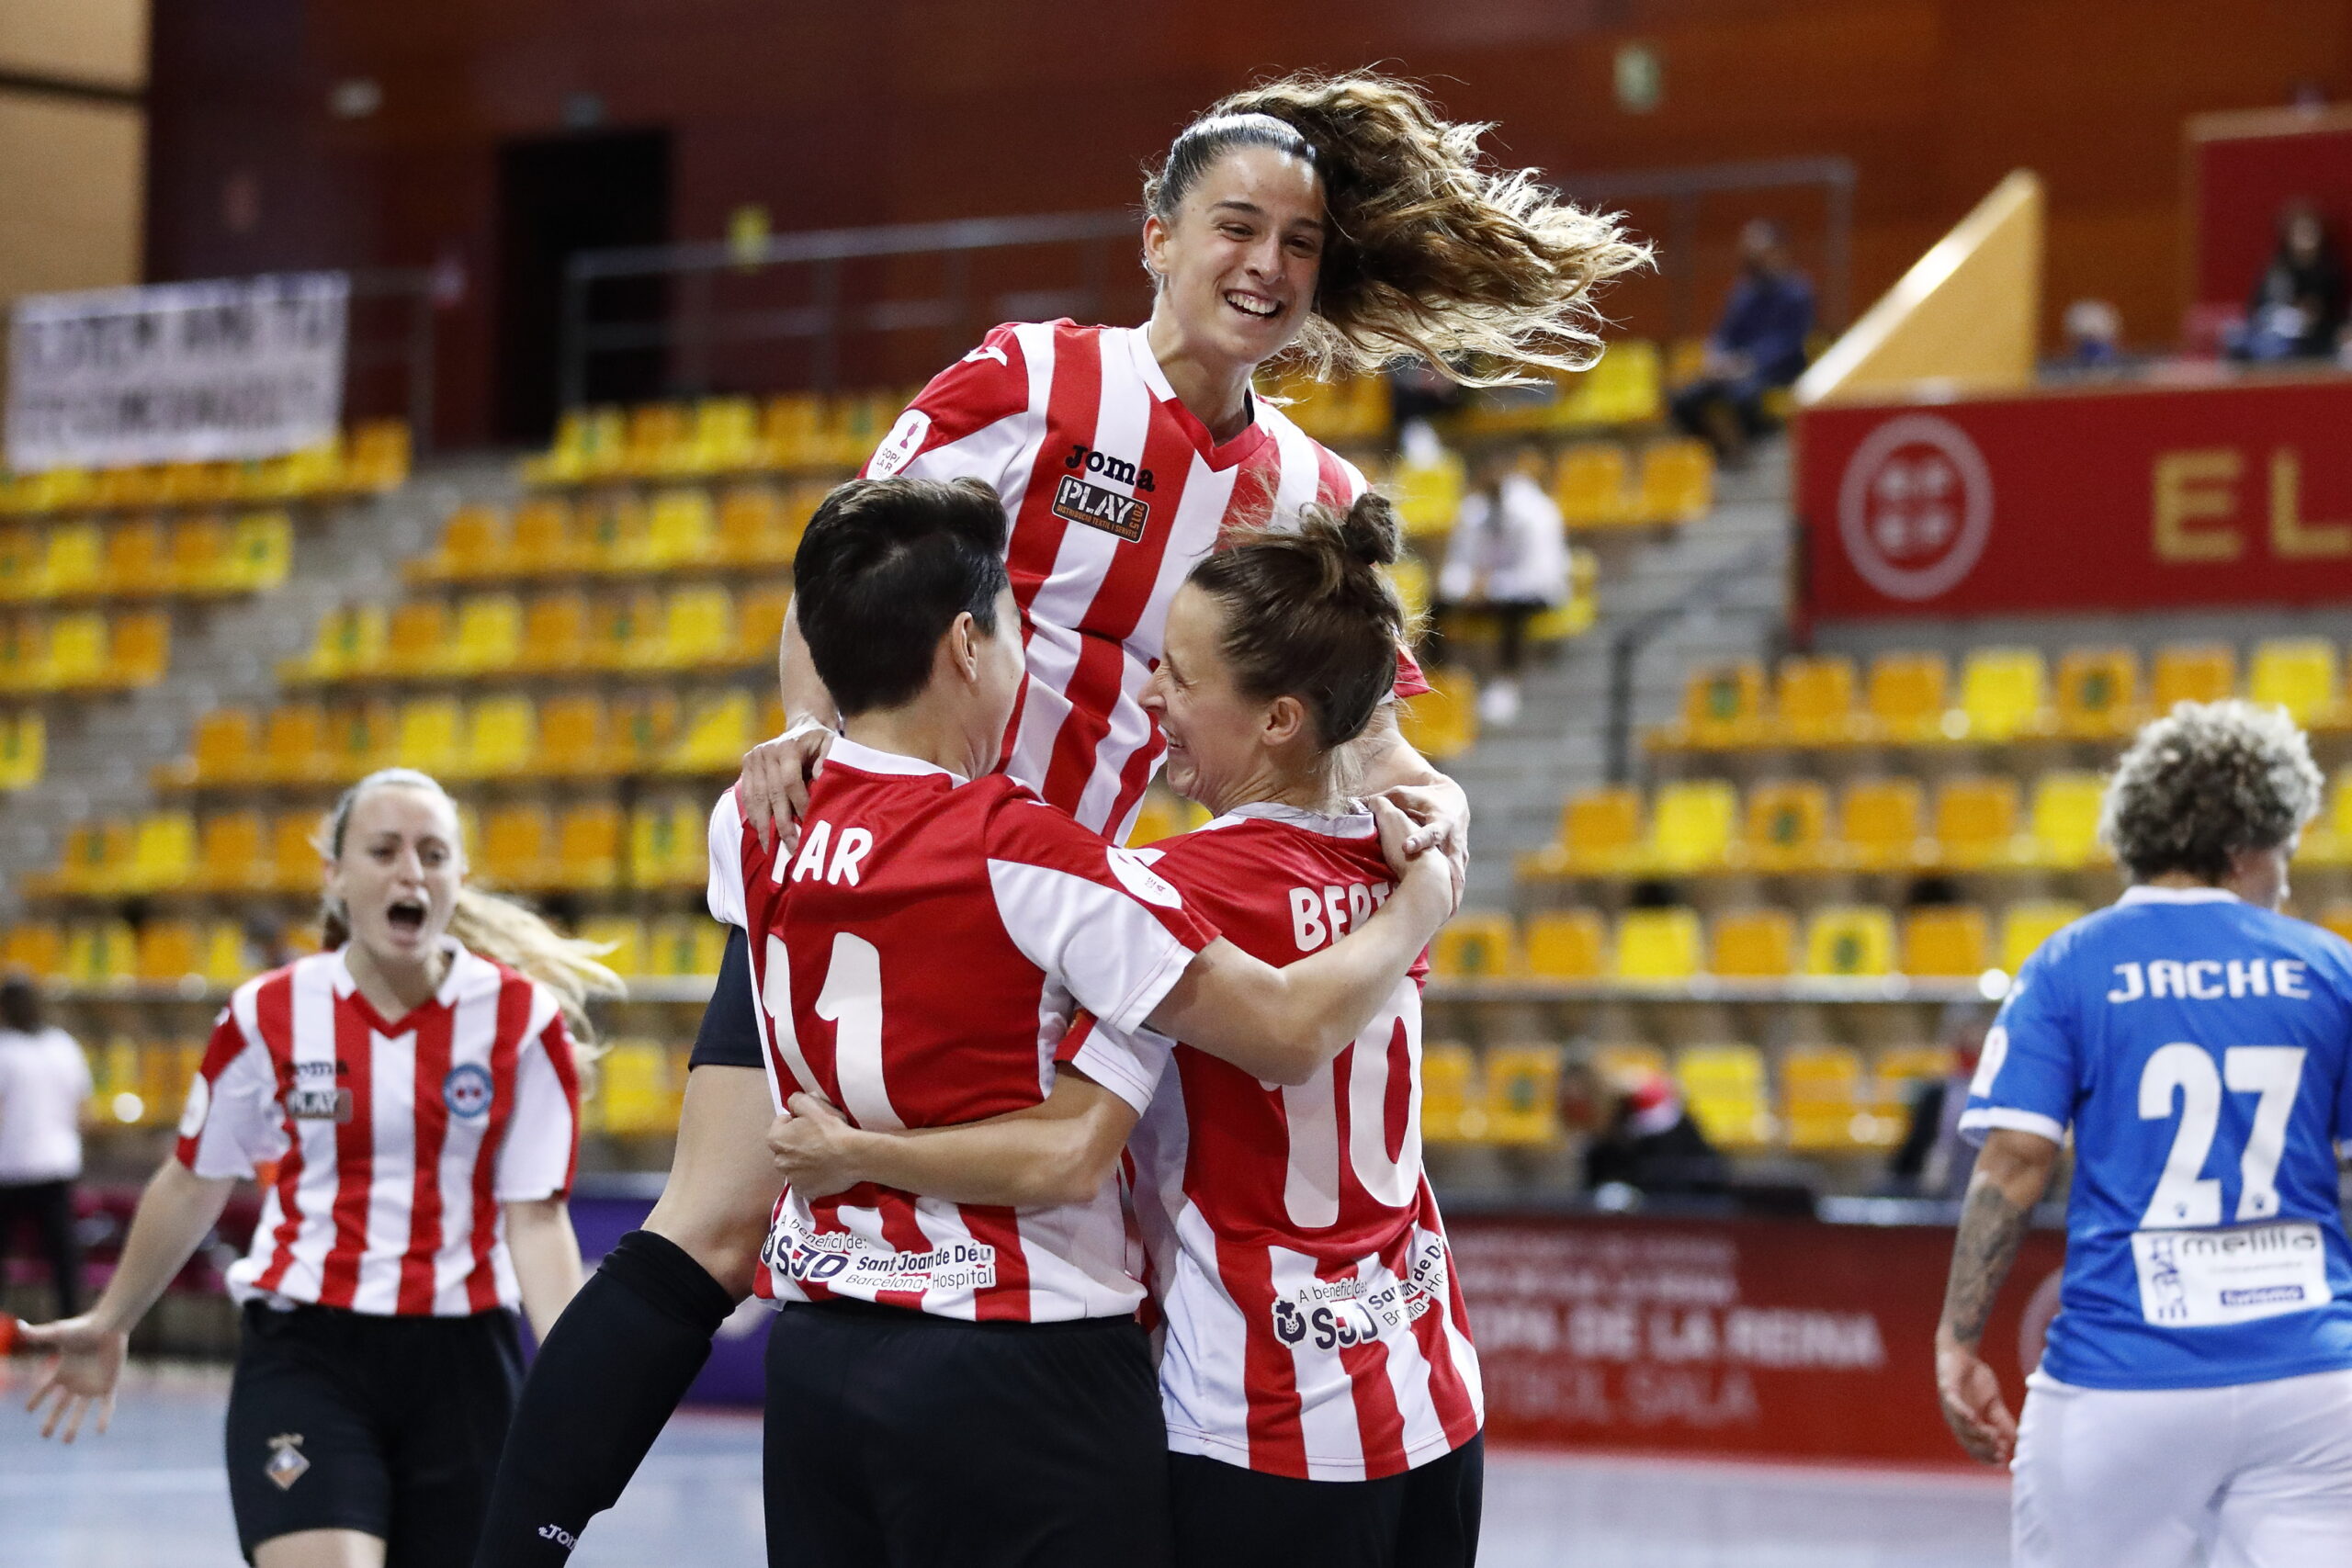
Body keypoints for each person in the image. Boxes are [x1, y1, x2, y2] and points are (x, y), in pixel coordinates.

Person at [472, 68, 1645, 1567]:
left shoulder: (1311, 487)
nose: (1267, 266)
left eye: (1298, 244)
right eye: (1236, 226)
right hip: (907, 888)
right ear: (1155, 233)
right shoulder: (1029, 381)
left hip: (1069, 923)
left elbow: (1377, 741)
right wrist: (806, 732)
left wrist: (1437, 812)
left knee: (1108, 1268)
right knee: (713, 1226)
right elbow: (844, 569)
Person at [718, 476, 1456, 1566]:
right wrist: (1431, 894)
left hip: (1239, 1402)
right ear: (968, 647)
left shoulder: (754, 824)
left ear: (1278, 718)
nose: (1143, 692)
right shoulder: (1391, 846)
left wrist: (802, 738)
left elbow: (1128, 1117)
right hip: (1416, 1375)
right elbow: (1301, 1006)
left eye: (1178, 673)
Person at [21, 768, 617, 1568]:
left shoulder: (521, 1021)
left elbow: (536, 1218)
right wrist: (111, 1317)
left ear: (457, 879)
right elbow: (195, 1177)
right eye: (384, 850)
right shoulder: (269, 1013)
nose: (411, 870)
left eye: (433, 853)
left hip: (465, 1365)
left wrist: (576, 1373)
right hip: (308, 1351)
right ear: (336, 875)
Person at [1936, 701, 2352, 1566]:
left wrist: (1958, 1341)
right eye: (2282, 849)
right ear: (2243, 847)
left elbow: (2013, 1168)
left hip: (2121, 1379)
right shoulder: (2328, 968)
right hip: (2313, 1380)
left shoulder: (2066, 963)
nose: (2286, 878)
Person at [1427, 444, 1568, 727]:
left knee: (1511, 609)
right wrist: (1465, 587)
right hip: (1486, 590)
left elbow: (1539, 577)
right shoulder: (1475, 510)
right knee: (1435, 606)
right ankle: (1441, 682)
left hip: (1530, 593)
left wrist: (1490, 586)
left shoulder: (1536, 513)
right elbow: (1459, 564)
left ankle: (1506, 681)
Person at [1668, 219, 1814, 462]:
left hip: (1779, 371)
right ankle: (1723, 455)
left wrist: (1748, 361)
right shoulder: (1744, 293)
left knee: (1743, 396)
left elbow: (1789, 342)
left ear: (1777, 251)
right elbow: (1724, 334)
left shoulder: (1797, 291)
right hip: (1736, 369)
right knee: (1684, 399)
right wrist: (1716, 358)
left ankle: (1757, 455)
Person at [0, 975, 94, 1318]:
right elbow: (85, 1111)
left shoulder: (4, 1050)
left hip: (10, 1168)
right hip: (56, 1165)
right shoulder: (63, 1045)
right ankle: (70, 1332)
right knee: (63, 1261)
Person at [1559, 1055, 1726, 1199]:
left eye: (1581, 1108)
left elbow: (1675, 1175)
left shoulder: (1647, 1111)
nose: (1578, 1118)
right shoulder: (1597, 1148)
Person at [1886, 1001, 1991, 1200]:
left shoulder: (1998, 1093)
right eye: (1963, 1042)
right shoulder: (1933, 1093)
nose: (1970, 1049)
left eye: (1976, 1044)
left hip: (1985, 1183)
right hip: (1934, 1183)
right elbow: (1912, 1150)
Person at [2234, 201, 2346, 363]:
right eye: (2300, 233)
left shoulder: (2330, 271)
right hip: (2273, 333)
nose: (2306, 239)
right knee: (2239, 341)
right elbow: (2255, 308)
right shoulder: (2276, 269)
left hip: (2314, 340)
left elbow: (2333, 314)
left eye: (2311, 232)